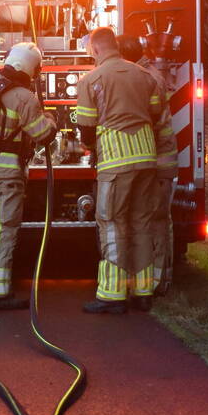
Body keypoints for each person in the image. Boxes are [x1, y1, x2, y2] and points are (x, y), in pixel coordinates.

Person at [77, 27, 173, 314]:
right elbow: (156, 113)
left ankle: (112, 294)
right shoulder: (145, 76)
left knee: (111, 222)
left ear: (95, 50)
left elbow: (86, 128)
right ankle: (143, 291)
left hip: (116, 162)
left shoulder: (90, 80)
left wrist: (93, 148)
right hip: (147, 157)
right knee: (142, 222)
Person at [0, 43, 57, 310]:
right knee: (3, 229)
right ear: (30, 67)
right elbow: (42, 134)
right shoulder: (23, 96)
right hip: (5, 178)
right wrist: (51, 120)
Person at [117, 34, 178, 296]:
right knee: (151, 221)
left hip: (155, 163)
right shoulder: (146, 74)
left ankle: (155, 282)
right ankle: (151, 281)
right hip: (153, 161)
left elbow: (142, 121)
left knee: (154, 221)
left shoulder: (144, 78)